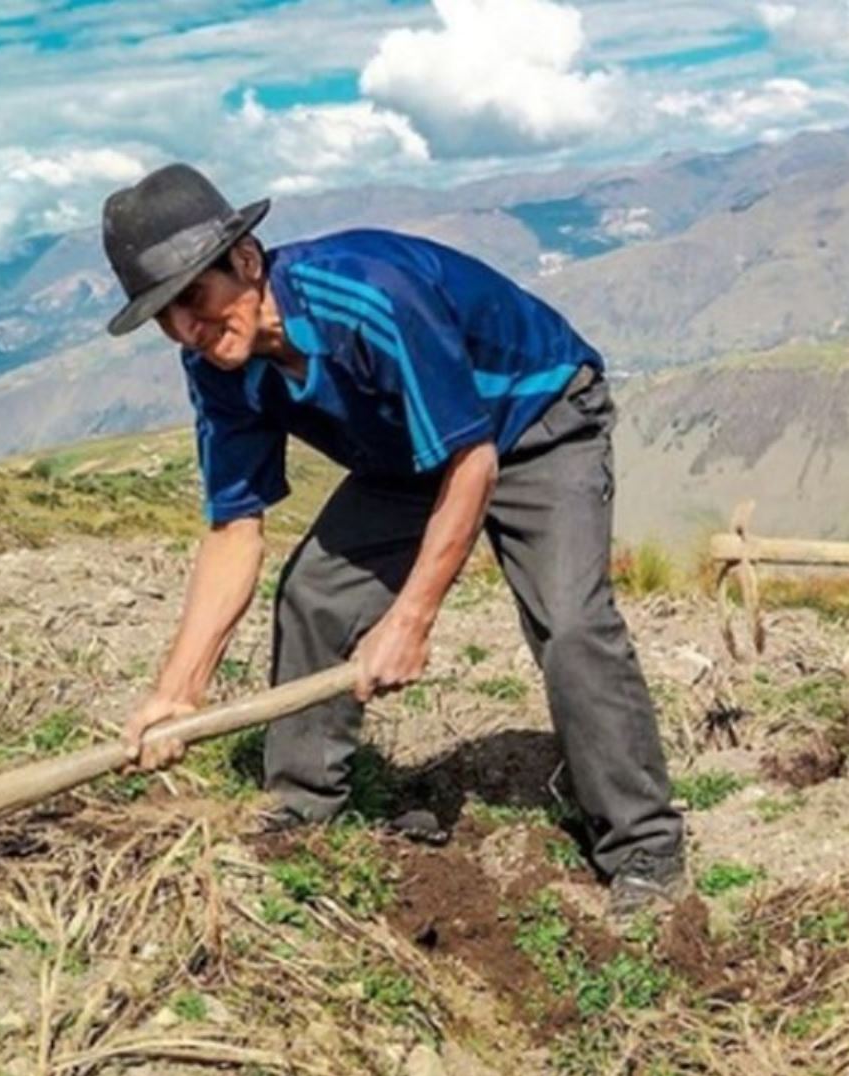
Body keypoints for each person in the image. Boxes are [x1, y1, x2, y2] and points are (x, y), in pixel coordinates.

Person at [99, 163, 686, 912]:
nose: (188, 327)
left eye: (194, 297)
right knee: (313, 594)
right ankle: (305, 811)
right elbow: (233, 529)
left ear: (245, 261)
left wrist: (410, 619)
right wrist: (176, 694)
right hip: (409, 451)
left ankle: (644, 848)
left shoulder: (367, 297)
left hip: (538, 420)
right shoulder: (218, 367)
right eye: (164, 315)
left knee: (571, 624)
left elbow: (474, 463)